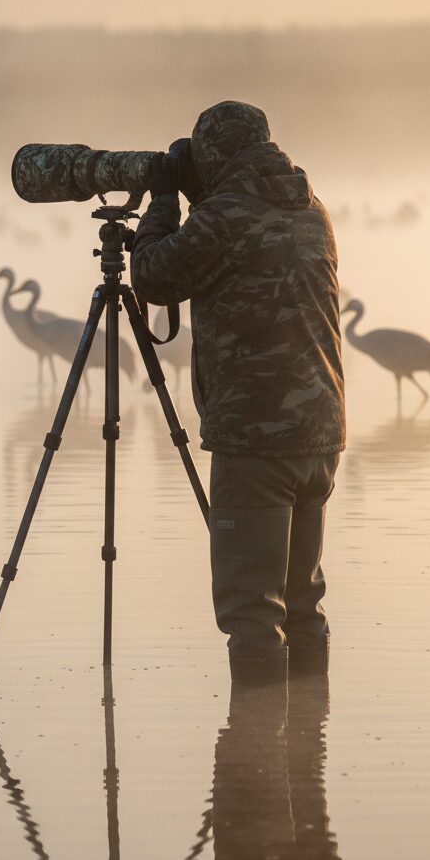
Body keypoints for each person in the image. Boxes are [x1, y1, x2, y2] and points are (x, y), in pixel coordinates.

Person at [130, 100, 345, 683]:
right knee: (302, 605)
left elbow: (151, 274)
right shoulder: (311, 208)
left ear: (214, 157)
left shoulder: (223, 217)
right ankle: (308, 747)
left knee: (251, 613)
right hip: (319, 435)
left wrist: (164, 198)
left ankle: (250, 764)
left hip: (255, 439)